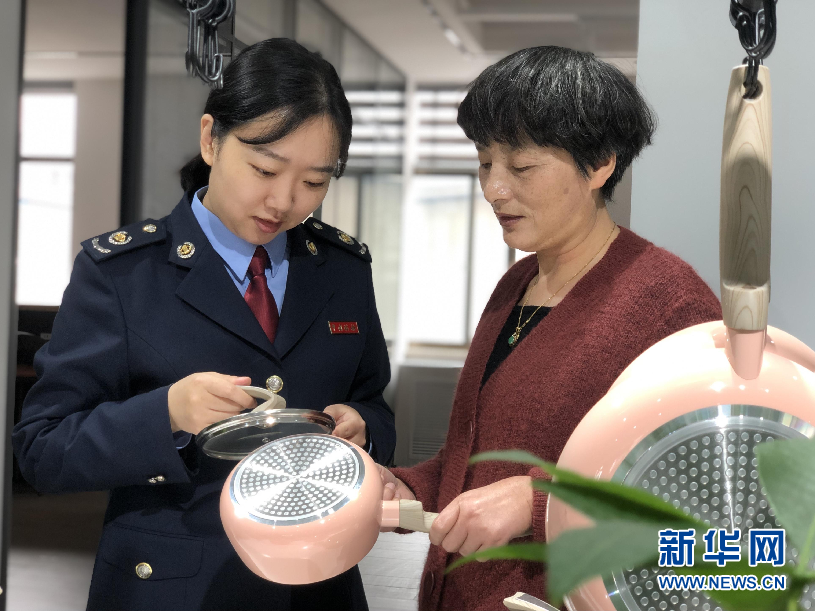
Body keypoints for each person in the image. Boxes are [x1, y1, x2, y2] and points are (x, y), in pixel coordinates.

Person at [12, 38, 394, 611]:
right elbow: (42, 449)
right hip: (171, 588)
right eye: (264, 169)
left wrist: (363, 427)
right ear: (211, 139)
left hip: (317, 584)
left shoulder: (342, 270)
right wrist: (165, 414)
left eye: (314, 183)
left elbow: (374, 404)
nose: (284, 201)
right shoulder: (122, 272)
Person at [378, 46, 722, 611]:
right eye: (485, 163)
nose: (493, 189)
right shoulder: (515, 284)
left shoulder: (669, 303)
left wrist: (539, 502)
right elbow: (478, 460)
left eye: (521, 168)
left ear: (600, 164)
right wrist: (406, 488)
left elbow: (708, 504)